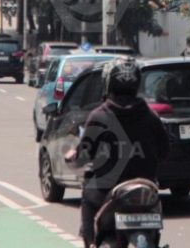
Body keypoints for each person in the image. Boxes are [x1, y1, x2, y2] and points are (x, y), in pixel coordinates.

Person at [66, 57, 169, 248]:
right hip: (146, 187)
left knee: (88, 198)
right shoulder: (151, 116)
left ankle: (90, 243)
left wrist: (74, 155)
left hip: (107, 189)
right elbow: (164, 151)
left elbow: (84, 155)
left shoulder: (98, 116)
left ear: (108, 82)